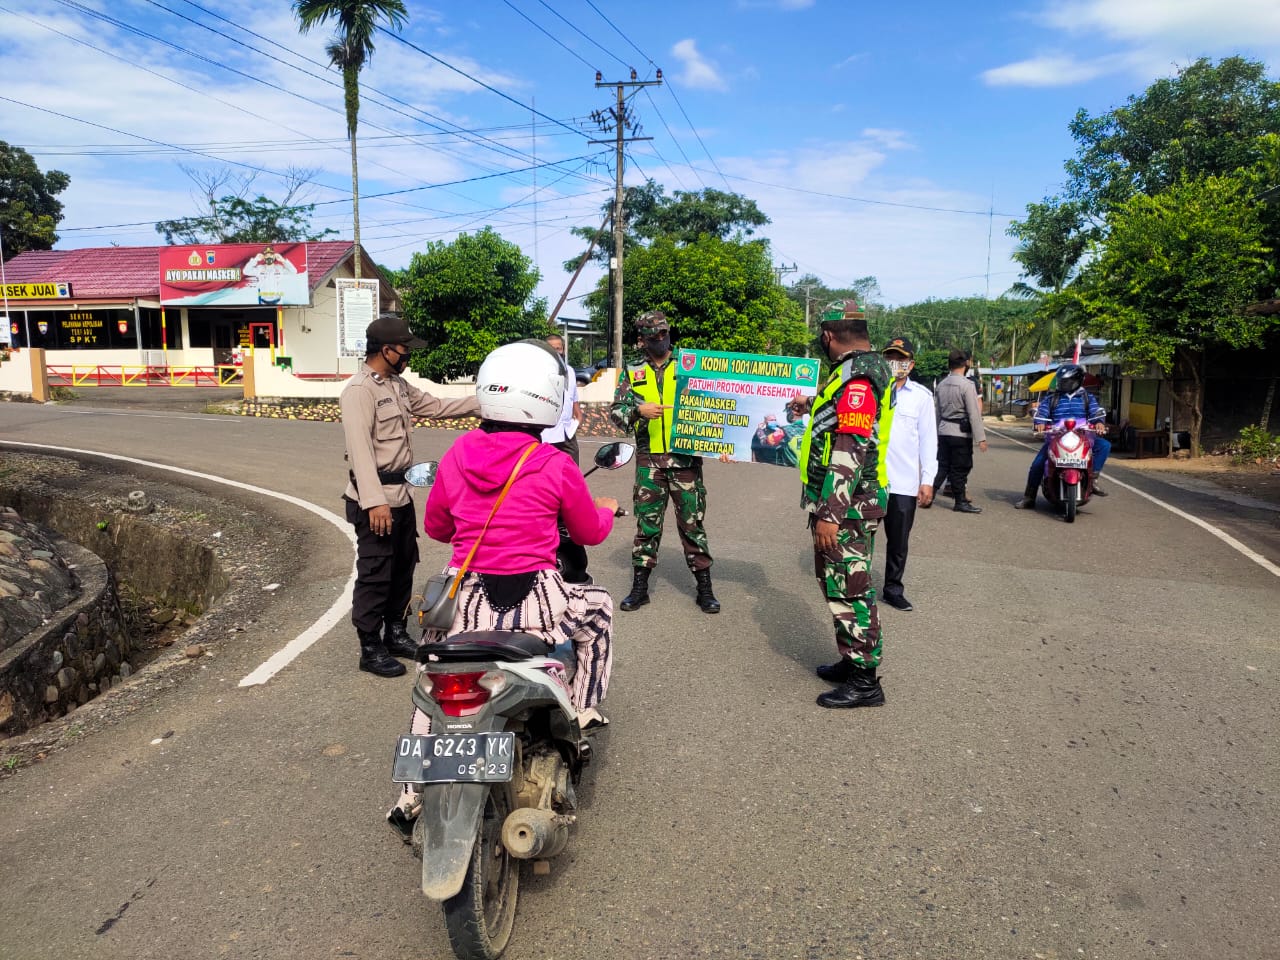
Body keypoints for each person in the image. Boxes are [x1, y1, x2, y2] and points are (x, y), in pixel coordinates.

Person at [389, 341, 618, 831]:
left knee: (431, 677)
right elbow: (587, 533)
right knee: (597, 610)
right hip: (535, 601)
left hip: (464, 598)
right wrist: (604, 511)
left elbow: (438, 528)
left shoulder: (456, 455)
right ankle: (580, 710)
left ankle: (409, 795)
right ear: (547, 398)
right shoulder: (555, 464)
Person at [339, 312, 480, 678]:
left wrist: (484, 401)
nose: (408, 355)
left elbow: (435, 406)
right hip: (377, 500)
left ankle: (396, 634)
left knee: (403, 567)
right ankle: (370, 646)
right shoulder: (359, 391)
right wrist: (374, 502)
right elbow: (360, 452)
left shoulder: (397, 386)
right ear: (386, 350)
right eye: (404, 349)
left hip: (401, 494)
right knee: (375, 573)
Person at [790, 299, 891, 709]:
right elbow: (841, 424)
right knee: (838, 585)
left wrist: (829, 514)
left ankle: (865, 681)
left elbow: (850, 447)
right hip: (845, 504)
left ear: (828, 336)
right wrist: (812, 404)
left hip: (847, 507)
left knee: (851, 589)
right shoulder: (853, 373)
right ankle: (852, 661)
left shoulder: (858, 379)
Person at [609, 310, 720, 614]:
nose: (661, 338)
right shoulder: (632, 372)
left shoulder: (691, 366)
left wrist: (725, 444)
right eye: (653, 335)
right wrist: (636, 412)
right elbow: (616, 413)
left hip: (685, 462)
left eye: (664, 333)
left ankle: (705, 590)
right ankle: (639, 589)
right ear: (642, 338)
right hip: (649, 464)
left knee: (693, 526)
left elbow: (715, 407)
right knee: (647, 528)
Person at [878, 337, 937, 612]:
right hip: (870, 479)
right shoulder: (871, 390)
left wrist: (928, 479)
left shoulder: (922, 398)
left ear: (910, 364)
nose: (894, 363)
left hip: (903, 482)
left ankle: (893, 589)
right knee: (860, 537)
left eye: (900, 359)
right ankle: (857, 586)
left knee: (898, 541)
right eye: (889, 357)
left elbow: (928, 440)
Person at [1015, 363, 1111, 509]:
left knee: (1104, 445)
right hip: (1056, 438)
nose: (1062, 384)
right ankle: (1029, 497)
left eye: (1066, 381)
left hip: (1083, 437)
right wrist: (1040, 422)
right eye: (1061, 381)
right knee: (1037, 465)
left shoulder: (1087, 397)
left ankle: (1093, 478)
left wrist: (1099, 423)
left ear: (1076, 380)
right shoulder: (1052, 398)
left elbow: (1096, 412)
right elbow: (1041, 413)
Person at [932, 349, 987, 513]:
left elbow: (937, 413)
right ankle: (960, 501)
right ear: (965, 364)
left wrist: (935, 435)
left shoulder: (941, 385)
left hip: (944, 431)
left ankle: (929, 494)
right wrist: (981, 438)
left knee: (942, 465)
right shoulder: (967, 385)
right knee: (960, 468)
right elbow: (973, 413)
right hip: (960, 434)